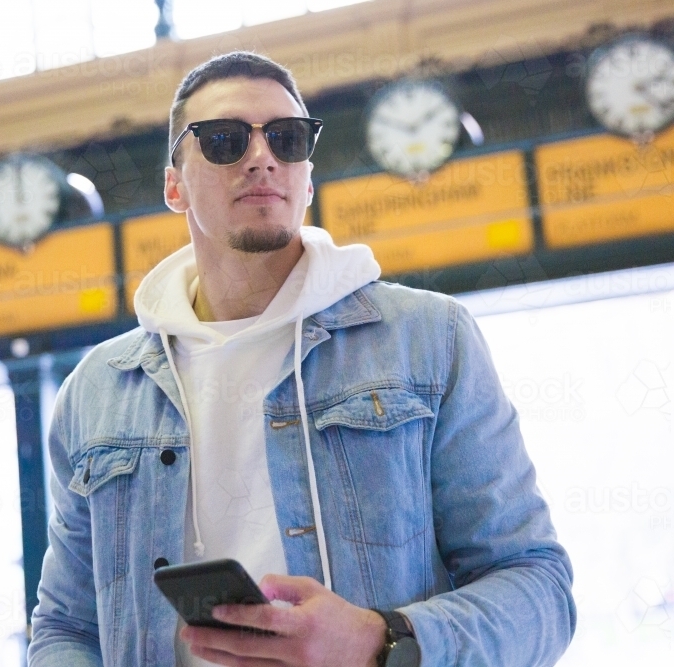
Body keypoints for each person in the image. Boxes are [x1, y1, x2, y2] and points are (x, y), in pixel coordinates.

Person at [28, 51, 575, 667]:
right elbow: (65, 627)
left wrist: (379, 640)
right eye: (225, 139)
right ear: (174, 186)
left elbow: (538, 588)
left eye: (287, 139)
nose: (262, 157)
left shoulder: (428, 338)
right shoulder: (98, 391)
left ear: (307, 181)